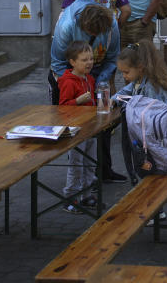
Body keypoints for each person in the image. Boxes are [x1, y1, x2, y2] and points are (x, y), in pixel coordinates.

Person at [50, 0, 125, 182]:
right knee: (74, 130)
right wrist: (78, 81)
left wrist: (97, 83)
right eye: (92, 33)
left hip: (96, 78)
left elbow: (112, 58)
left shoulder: (111, 23)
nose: (96, 35)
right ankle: (77, 179)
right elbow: (58, 62)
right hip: (69, 77)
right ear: (82, 26)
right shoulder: (66, 25)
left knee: (103, 124)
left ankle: (103, 171)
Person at [114, 40, 167, 221]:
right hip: (145, 138)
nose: (124, 76)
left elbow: (151, 115)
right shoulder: (139, 81)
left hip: (152, 139)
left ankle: (154, 211)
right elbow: (126, 91)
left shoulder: (150, 87)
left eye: (126, 72)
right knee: (146, 172)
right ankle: (154, 208)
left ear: (140, 67)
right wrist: (114, 99)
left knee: (150, 173)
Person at [57, 40, 98, 213]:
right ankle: (70, 197)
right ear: (73, 62)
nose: (89, 62)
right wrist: (78, 101)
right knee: (76, 164)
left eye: (91, 59)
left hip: (90, 127)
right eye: (84, 60)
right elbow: (63, 106)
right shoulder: (68, 81)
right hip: (75, 129)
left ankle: (86, 195)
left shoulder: (89, 78)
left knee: (90, 163)